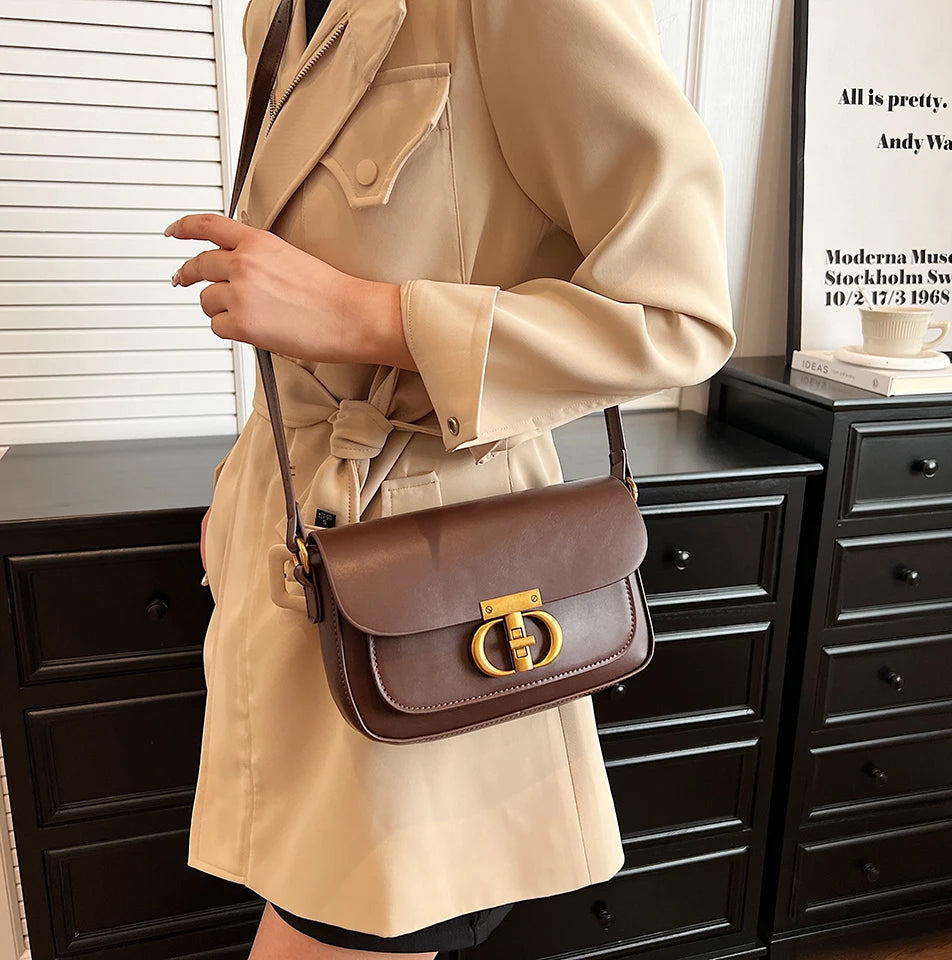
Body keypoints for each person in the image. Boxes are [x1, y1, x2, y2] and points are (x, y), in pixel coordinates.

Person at [166, 0, 737, 956]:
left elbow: (679, 312)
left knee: (355, 920)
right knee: (311, 903)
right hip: (295, 542)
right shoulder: (274, 13)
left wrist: (369, 317)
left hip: (433, 589)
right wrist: (244, 490)